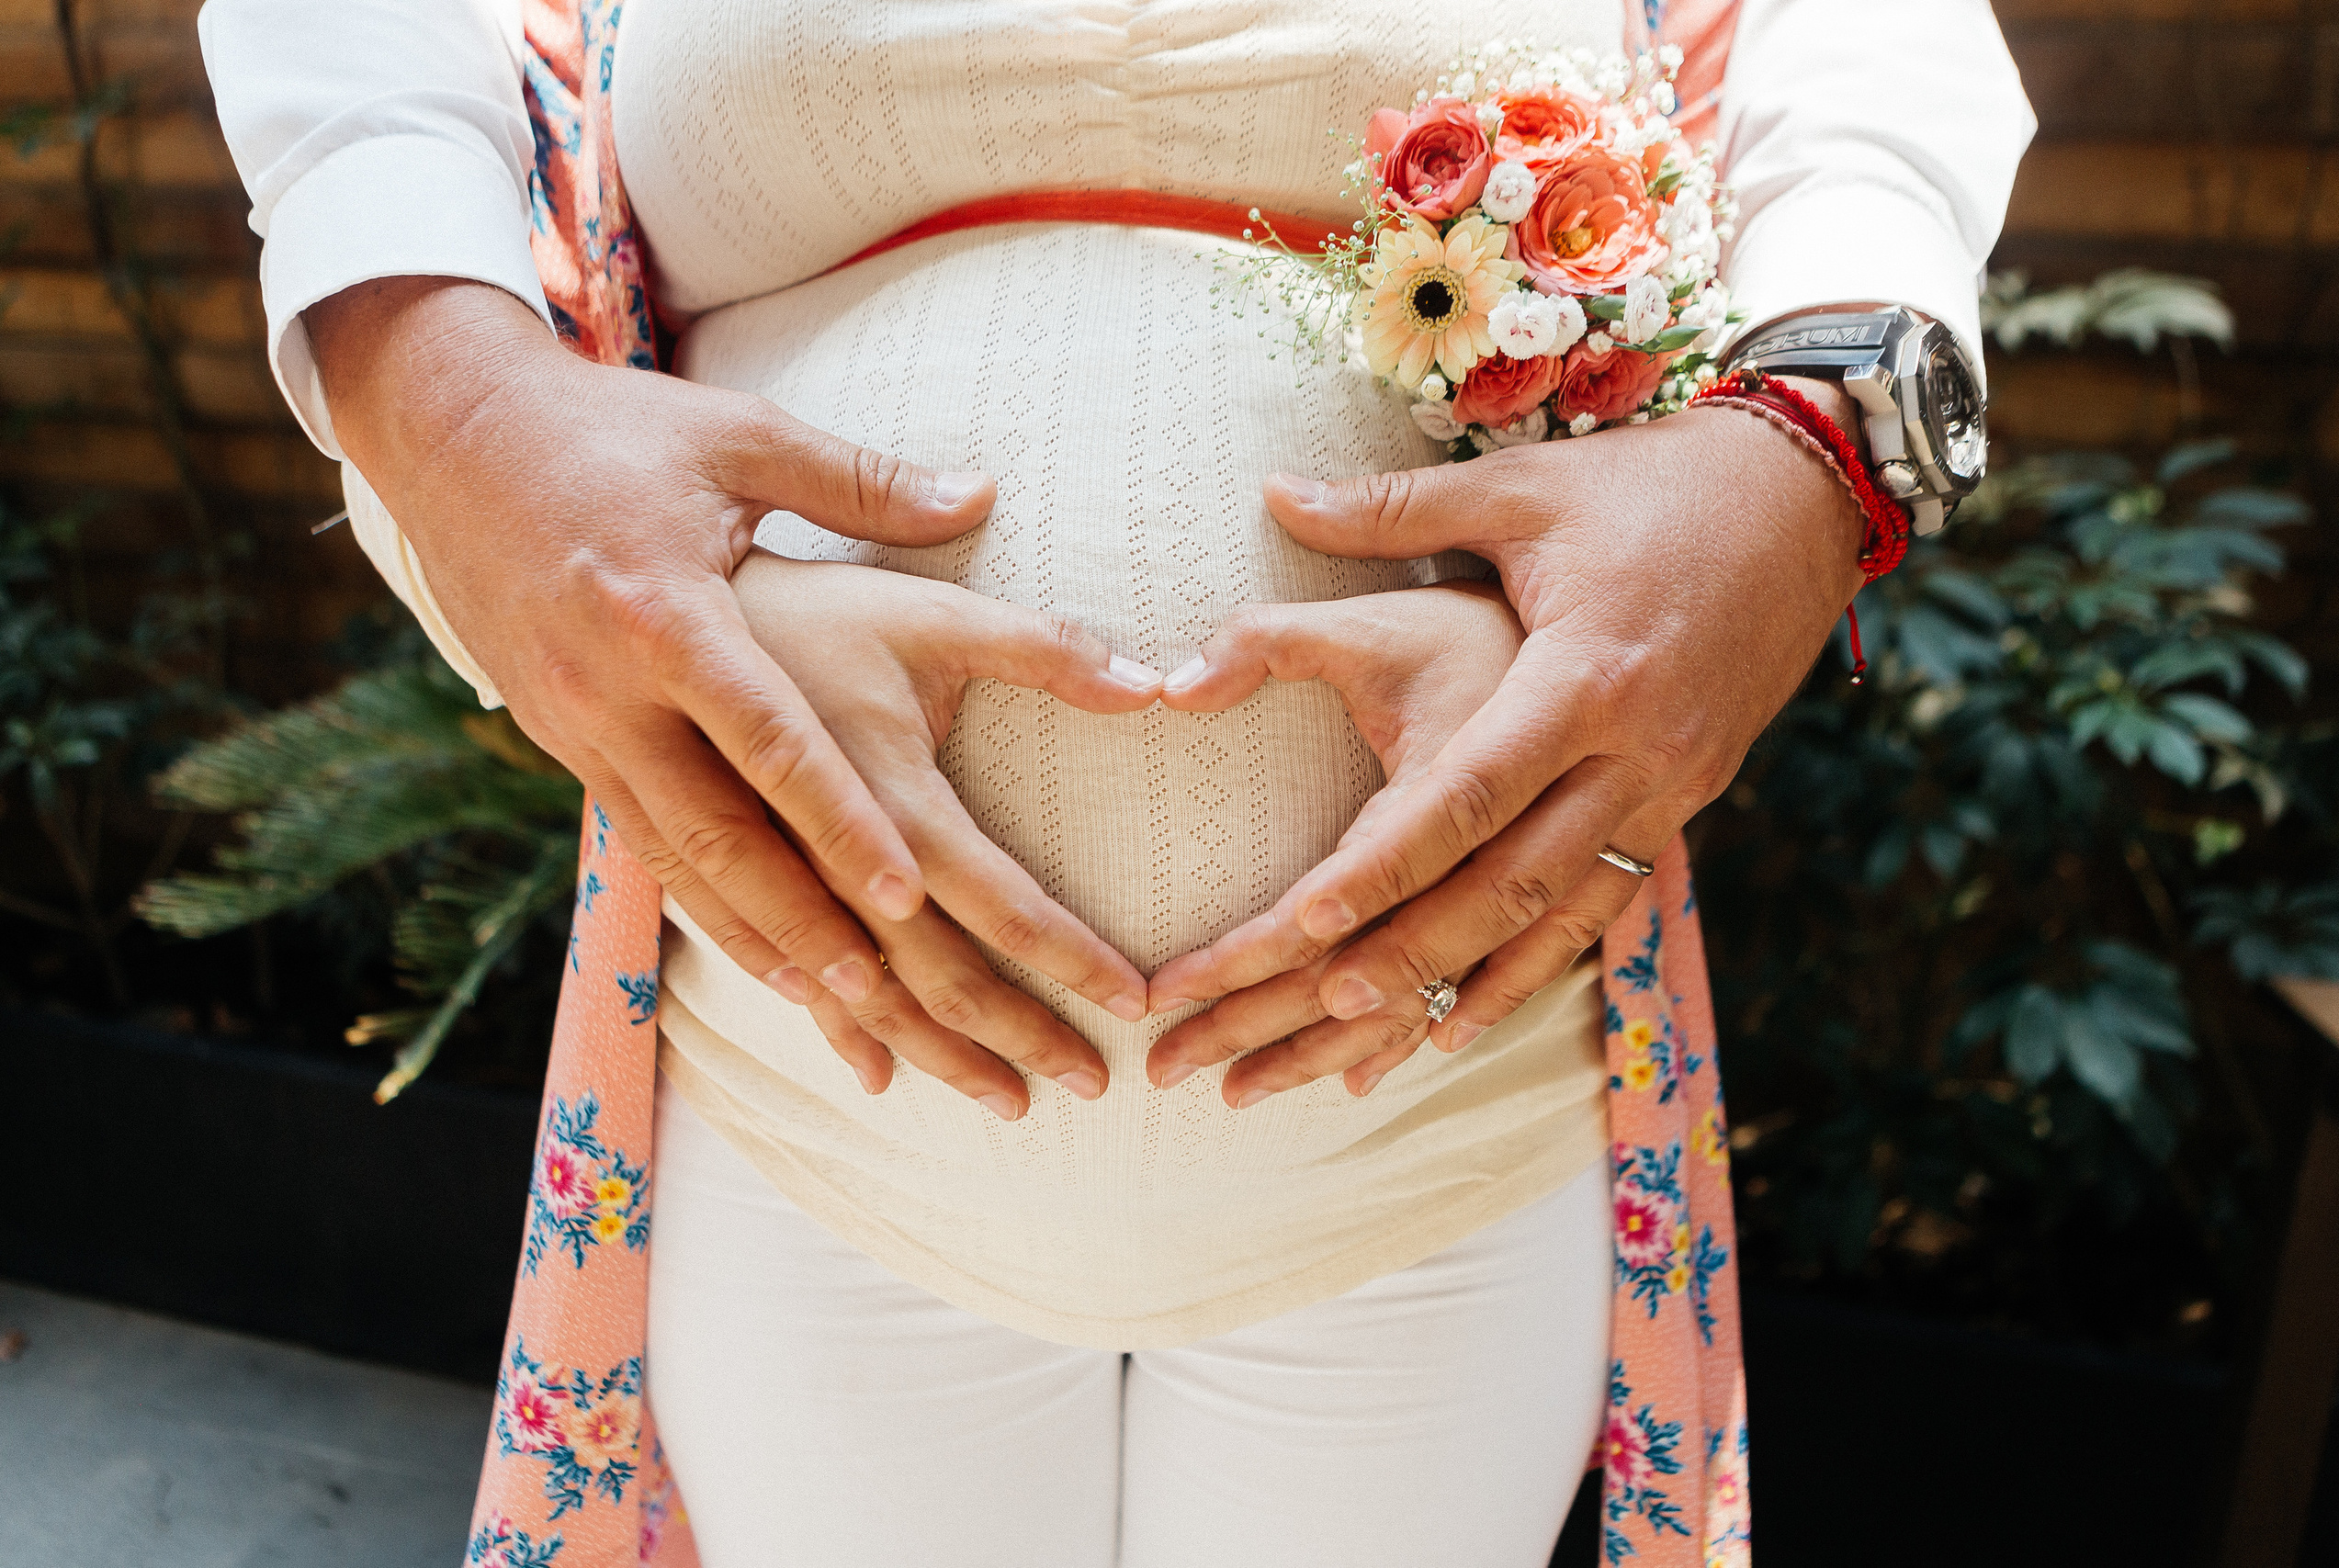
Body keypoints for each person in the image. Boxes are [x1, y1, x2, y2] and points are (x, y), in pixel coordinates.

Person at [199, 2, 2033, 1563]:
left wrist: (1812, 444)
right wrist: (455, 406)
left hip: (1433, 1139)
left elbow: (1864, 54)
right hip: (816, 1121)